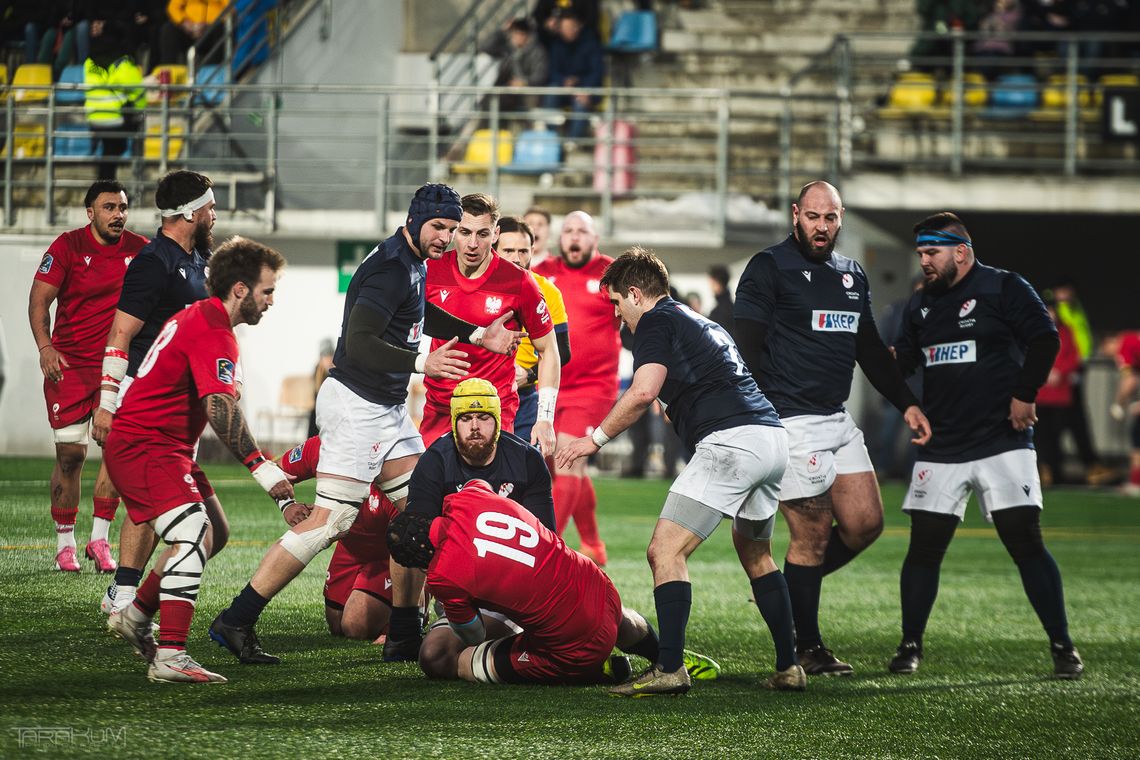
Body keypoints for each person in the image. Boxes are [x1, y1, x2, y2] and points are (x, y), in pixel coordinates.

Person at [208, 184, 520, 665]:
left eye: (453, 229)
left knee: (418, 510)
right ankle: (237, 618)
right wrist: (423, 364)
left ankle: (402, 633)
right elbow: (359, 342)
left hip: (386, 408)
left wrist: (476, 332)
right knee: (332, 521)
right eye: (440, 227)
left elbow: (418, 313)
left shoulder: (411, 261)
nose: (447, 238)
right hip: (356, 405)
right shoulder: (389, 269)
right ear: (415, 220)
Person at [558, 248, 804, 696]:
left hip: (732, 443)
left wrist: (590, 441)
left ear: (635, 294)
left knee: (664, 551)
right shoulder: (696, 320)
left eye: (616, 303)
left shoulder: (654, 321)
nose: (617, 316)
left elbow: (641, 392)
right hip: (770, 439)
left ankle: (670, 668)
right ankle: (790, 666)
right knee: (757, 554)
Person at [734, 180, 931, 676]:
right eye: (814, 217)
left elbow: (869, 349)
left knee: (866, 524)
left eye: (832, 218)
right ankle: (807, 644)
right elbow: (746, 349)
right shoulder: (768, 268)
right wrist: (756, 416)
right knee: (814, 535)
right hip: (789, 420)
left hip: (836, 418)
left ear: (841, 219)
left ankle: (785, 596)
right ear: (795, 215)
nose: (822, 227)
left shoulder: (852, 273)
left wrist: (907, 403)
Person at [887, 212, 1082, 679]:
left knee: (1025, 543)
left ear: (961, 252)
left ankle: (1062, 646)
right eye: (920, 254)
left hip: (1003, 441)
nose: (924, 262)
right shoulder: (920, 306)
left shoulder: (1004, 287)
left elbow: (1044, 339)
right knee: (924, 549)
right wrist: (901, 391)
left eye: (931, 253)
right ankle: (910, 645)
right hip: (942, 445)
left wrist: (1025, 394)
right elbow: (904, 361)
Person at [104, 235, 295, 683]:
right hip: (145, 447)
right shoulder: (213, 330)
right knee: (192, 533)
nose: (272, 301)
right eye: (268, 290)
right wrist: (264, 469)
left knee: (215, 533)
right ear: (241, 290)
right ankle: (170, 655)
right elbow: (220, 408)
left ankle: (135, 616)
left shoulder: (200, 317)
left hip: (162, 447)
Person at [389, 479, 718, 687]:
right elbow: (478, 484)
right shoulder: (467, 498)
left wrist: (460, 608)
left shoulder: (444, 577)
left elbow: (473, 635)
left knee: (452, 659)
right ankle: (667, 657)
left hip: (574, 645)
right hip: (598, 586)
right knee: (609, 618)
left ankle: (595, 671)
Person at [94, 170, 217, 616]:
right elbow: (120, 332)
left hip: (182, 403)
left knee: (168, 505)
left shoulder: (198, 261)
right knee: (151, 500)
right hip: (144, 395)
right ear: (188, 213)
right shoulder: (153, 261)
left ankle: (128, 592)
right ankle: (124, 593)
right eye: (209, 207)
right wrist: (107, 403)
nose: (214, 215)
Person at [28, 180, 149, 573]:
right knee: (70, 455)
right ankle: (65, 542)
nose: (119, 214)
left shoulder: (140, 250)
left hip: (117, 367)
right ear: (90, 213)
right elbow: (39, 301)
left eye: (123, 207)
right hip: (70, 366)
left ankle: (100, 540)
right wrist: (46, 347)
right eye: (110, 207)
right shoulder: (67, 246)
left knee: (115, 450)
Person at [406, 377, 558, 672]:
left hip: (515, 586)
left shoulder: (527, 460)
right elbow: (417, 538)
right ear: (453, 422)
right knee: (433, 657)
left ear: (498, 421)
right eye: (465, 418)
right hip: (462, 589)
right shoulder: (435, 461)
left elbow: (547, 541)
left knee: (448, 653)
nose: (474, 427)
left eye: (484, 417)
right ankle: (529, 649)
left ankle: (530, 642)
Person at [420, 193, 559, 457]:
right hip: (441, 409)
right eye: (464, 232)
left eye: (482, 234)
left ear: (495, 234)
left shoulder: (519, 283)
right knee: (427, 495)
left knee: (487, 496)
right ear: (453, 231)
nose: (472, 244)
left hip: (493, 413)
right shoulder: (431, 271)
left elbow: (550, 349)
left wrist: (546, 418)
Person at [534, 210, 620, 566]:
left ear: (594, 237)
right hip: (550, 385)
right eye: (567, 230)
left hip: (594, 388)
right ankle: (593, 544)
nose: (573, 237)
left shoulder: (613, 273)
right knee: (560, 466)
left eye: (581, 231)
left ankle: (546, 549)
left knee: (569, 460)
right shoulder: (543, 272)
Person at [495, 215, 570, 444]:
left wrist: (529, 374)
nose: (516, 259)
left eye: (523, 251)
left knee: (523, 473)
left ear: (533, 250)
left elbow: (562, 352)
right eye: (508, 250)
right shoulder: (475, 287)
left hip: (525, 397)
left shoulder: (548, 291)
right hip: (479, 394)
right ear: (493, 249)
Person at [84, 23, 145, 181]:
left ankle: (106, 187)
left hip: (94, 117)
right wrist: (139, 110)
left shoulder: (89, 62)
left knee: (109, 153)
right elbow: (138, 91)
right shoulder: (122, 63)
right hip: (115, 119)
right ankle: (107, 189)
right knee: (116, 149)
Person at [1034, 295, 1083, 487]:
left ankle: (1056, 474)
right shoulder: (1033, 331)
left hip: (1060, 395)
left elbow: (1074, 357)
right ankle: (1040, 473)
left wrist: (1059, 373)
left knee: (1055, 436)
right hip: (1040, 395)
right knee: (1039, 437)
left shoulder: (1066, 332)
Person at [542, 12, 604, 142]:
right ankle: (551, 139)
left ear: (578, 27)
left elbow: (597, 72)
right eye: (565, 28)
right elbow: (552, 71)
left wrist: (584, 87)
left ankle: (573, 142)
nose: (569, 31)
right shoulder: (556, 45)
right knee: (550, 93)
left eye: (571, 27)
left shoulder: (591, 44)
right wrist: (563, 81)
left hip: (585, 87)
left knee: (580, 102)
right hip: (563, 87)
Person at [479, 17, 549, 113]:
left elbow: (540, 75)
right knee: (488, 101)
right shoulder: (507, 49)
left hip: (527, 91)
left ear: (528, 36)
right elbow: (485, 47)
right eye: (515, 33)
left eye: (522, 34)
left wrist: (524, 82)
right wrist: (501, 31)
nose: (518, 37)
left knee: (500, 102)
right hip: (506, 89)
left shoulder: (538, 52)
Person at [1110, 330, 1140, 497]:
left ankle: (1136, 483)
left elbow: (1129, 381)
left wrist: (1118, 404)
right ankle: (1136, 481)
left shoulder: (1126, 343)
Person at [157, 0, 228, 65]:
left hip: (212, 30)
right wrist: (184, 22)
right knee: (168, 29)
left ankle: (213, 73)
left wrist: (210, 25)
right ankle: (169, 70)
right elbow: (173, 7)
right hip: (188, 30)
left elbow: (231, 9)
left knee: (222, 29)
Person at [706, 264, 736, 339]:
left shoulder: (719, 312)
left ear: (717, 283)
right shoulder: (732, 307)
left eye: (711, 282)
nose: (710, 285)